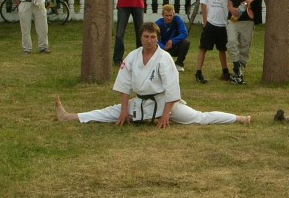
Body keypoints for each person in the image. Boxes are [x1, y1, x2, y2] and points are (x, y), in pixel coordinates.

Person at [55, 22, 250, 127]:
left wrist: (166, 116)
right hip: (141, 102)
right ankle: (68, 116)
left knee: (199, 118)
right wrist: (124, 109)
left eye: (153, 37)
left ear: (158, 39)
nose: (149, 40)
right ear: (140, 37)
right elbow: (124, 85)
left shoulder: (164, 58)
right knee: (110, 112)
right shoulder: (132, 56)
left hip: (165, 103)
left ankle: (238, 118)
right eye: (146, 37)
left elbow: (172, 89)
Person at [195, 0, 230, 84]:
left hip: (222, 22)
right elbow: (203, 2)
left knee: (222, 48)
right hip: (210, 21)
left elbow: (226, 2)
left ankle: (225, 71)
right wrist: (205, 20)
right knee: (204, 47)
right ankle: (198, 72)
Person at [155, 4, 190, 72]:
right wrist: (163, 47)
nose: (169, 18)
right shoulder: (157, 24)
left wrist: (172, 41)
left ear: (173, 14)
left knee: (185, 42)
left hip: (174, 45)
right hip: (162, 48)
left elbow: (184, 33)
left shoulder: (177, 20)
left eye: (171, 15)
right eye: (166, 15)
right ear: (162, 15)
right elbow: (155, 39)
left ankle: (179, 64)